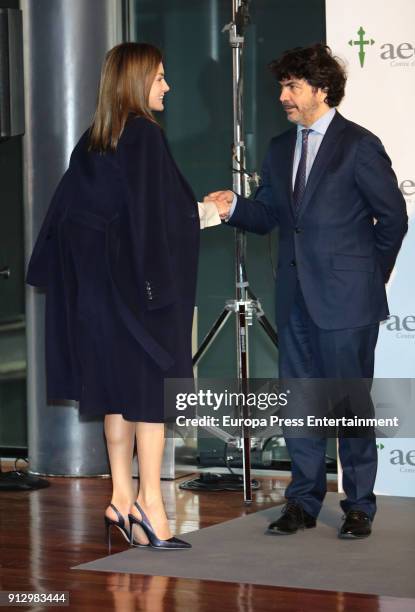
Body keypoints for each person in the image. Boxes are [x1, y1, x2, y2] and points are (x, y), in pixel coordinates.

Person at [206, 44, 408, 539]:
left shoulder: (359, 145)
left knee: (350, 405)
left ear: (321, 89)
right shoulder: (279, 148)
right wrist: (235, 207)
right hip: (295, 299)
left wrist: (366, 276)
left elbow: (394, 220)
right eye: (282, 86)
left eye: (292, 86)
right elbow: (272, 215)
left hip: (347, 303)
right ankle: (302, 502)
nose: (283, 96)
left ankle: (359, 505)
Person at [26, 43, 200, 551]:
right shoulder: (144, 136)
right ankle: (151, 505)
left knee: (116, 401)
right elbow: (156, 222)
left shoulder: (94, 141)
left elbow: (68, 224)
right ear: (136, 81)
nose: (166, 86)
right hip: (141, 301)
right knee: (148, 402)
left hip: (98, 304)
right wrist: (202, 214)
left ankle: (120, 498)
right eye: (160, 77)